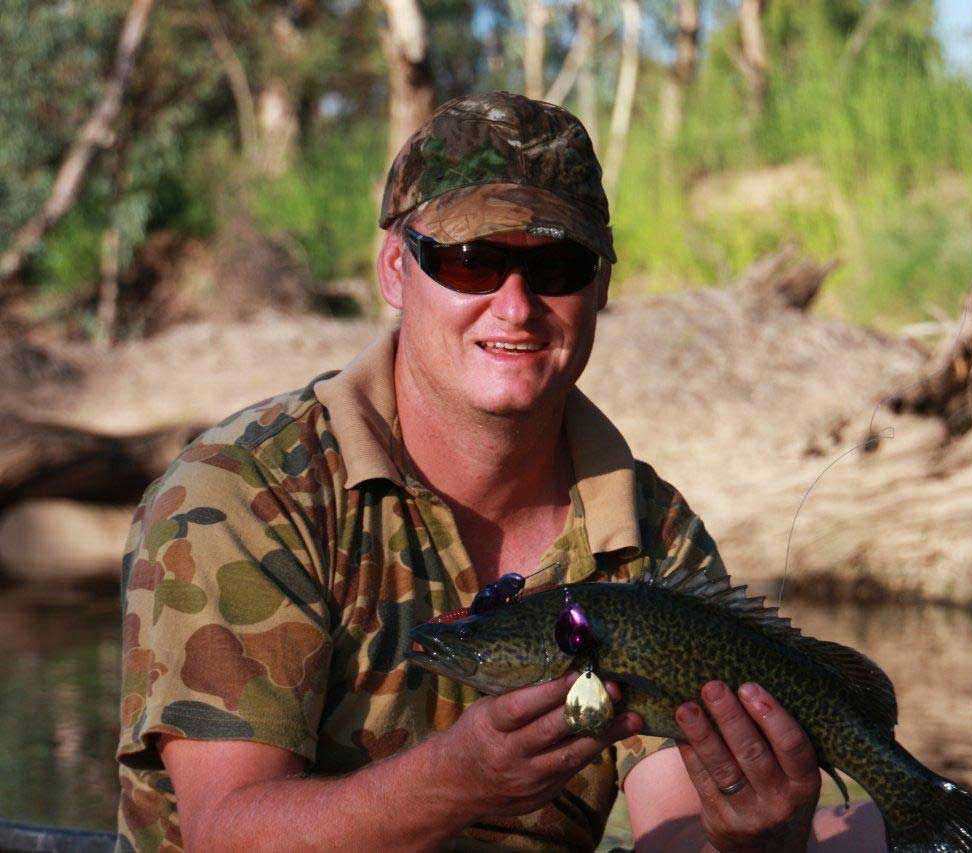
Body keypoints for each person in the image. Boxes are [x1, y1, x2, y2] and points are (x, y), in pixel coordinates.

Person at [115, 91, 885, 852]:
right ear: (396, 269)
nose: (515, 306)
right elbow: (228, 833)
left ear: (600, 287)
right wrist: (454, 781)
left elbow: (675, 826)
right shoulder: (246, 492)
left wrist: (753, 839)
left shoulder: (652, 532)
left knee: (863, 835)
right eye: (471, 261)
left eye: (556, 265)